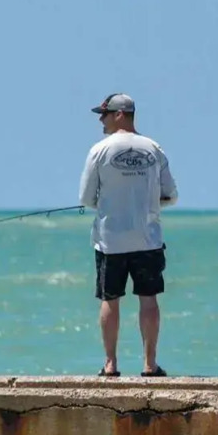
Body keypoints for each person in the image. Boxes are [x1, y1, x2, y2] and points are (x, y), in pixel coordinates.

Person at [78, 93, 178, 377]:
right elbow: (170, 194)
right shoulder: (154, 149)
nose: (101, 119)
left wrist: (111, 203)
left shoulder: (99, 150)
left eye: (105, 114)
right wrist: (145, 204)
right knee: (149, 299)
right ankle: (150, 365)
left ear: (120, 114)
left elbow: (86, 198)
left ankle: (110, 365)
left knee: (110, 300)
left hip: (110, 240)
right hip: (148, 238)